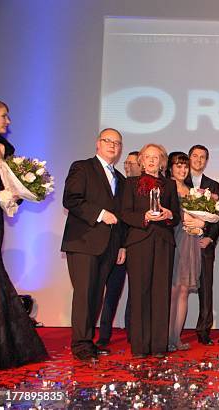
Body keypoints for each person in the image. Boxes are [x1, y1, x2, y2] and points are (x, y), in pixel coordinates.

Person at [62, 127, 126, 361]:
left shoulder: (120, 178)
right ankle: (80, 345)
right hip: (83, 242)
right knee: (84, 294)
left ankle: (87, 340)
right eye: (108, 141)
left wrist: (121, 245)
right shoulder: (82, 167)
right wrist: (100, 213)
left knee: (96, 295)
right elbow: (71, 199)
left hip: (109, 246)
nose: (113, 146)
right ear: (98, 143)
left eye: (117, 143)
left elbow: (120, 216)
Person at [0, 100, 48, 369]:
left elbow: (8, 188)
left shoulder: (5, 149)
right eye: (4, 115)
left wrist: (15, 196)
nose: (8, 121)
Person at [121, 143, 180, 358]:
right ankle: (140, 346)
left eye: (156, 157)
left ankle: (158, 346)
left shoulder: (170, 185)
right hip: (139, 242)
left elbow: (177, 217)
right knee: (139, 293)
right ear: (142, 161)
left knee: (161, 293)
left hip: (164, 242)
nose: (152, 160)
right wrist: (144, 217)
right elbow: (125, 213)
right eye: (148, 157)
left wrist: (168, 215)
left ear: (162, 161)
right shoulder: (130, 183)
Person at [97, 150, 140, 347]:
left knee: (136, 293)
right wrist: (122, 245)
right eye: (126, 163)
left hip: (139, 246)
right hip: (119, 246)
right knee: (112, 291)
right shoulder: (119, 183)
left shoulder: (149, 187)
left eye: (132, 163)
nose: (127, 166)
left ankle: (134, 334)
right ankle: (104, 336)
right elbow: (120, 218)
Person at [167, 152, 206, 352]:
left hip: (190, 242)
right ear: (170, 168)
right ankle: (165, 338)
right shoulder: (165, 187)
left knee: (183, 291)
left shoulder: (192, 191)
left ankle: (176, 338)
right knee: (172, 291)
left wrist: (201, 224)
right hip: (172, 241)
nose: (182, 170)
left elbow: (201, 217)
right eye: (178, 166)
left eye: (185, 166)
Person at [185, 145, 219, 346]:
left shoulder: (213, 185)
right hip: (183, 244)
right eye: (195, 156)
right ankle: (173, 327)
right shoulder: (179, 181)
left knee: (206, 288)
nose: (198, 160)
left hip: (203, 244)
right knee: (178, 288)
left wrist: (210, 238)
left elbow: (218, 217)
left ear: (207, 161)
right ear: (189, 158)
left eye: (203, 157)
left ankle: (204, 329)